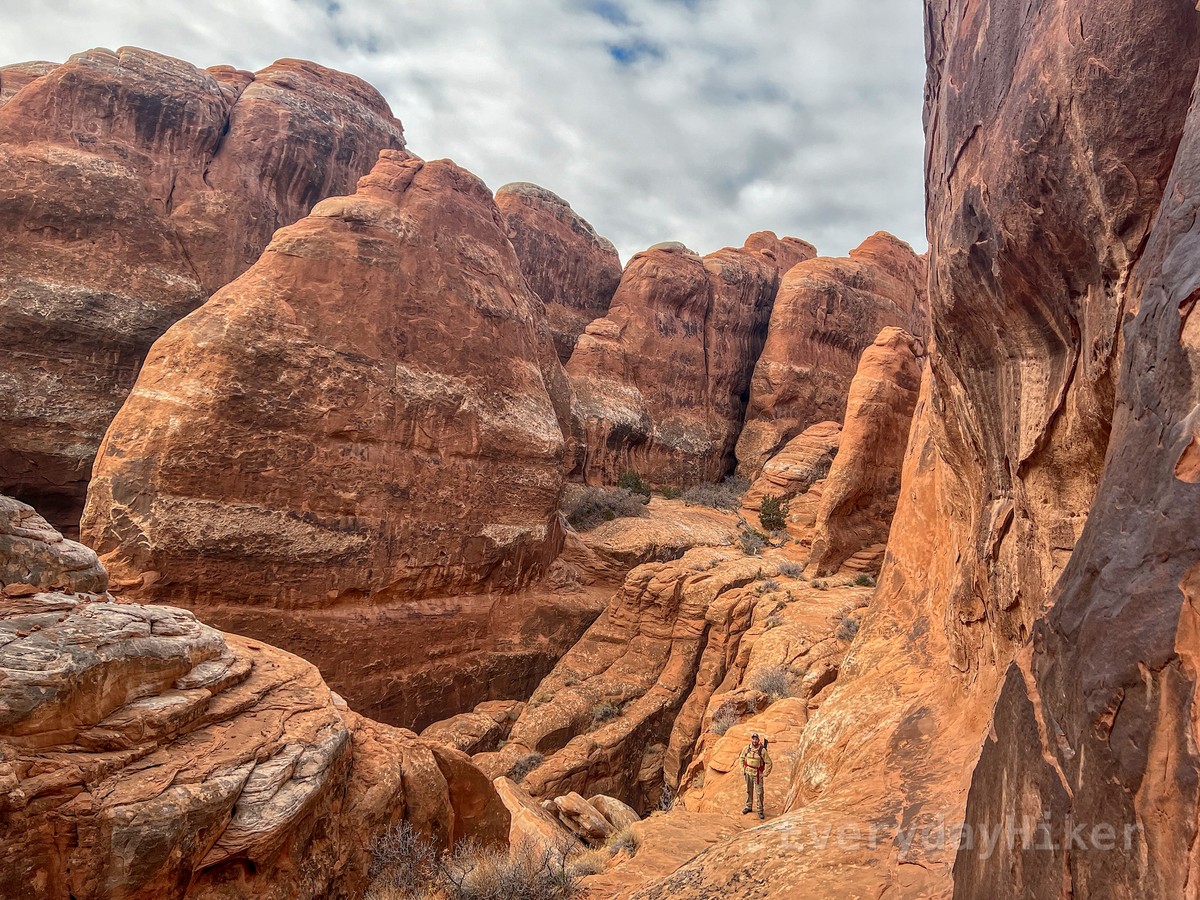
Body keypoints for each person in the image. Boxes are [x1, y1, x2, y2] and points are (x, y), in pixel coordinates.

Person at [739, 732, 772, 819]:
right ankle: (748, 806)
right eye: (753, 739)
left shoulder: (762, 750)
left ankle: (760, 810)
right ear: (751, 739)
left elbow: (769, 762)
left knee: (759, 792)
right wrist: (742, 768)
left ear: (758, 740)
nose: (754, 740)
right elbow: (741, 758)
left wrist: (765, 773)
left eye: (756, 739)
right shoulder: (747, 748)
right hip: (748, 773)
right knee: (749, 790)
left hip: (757, 775)